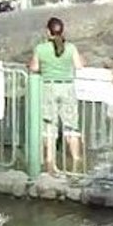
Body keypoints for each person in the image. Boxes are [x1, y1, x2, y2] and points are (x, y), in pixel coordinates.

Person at [28, 17, 84, 174]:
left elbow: (34, 68)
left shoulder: (40, 48)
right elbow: (79, 66)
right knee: (72, 125)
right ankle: (76, 162)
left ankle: (50, 162)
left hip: (48, 88)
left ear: (48, 31)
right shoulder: (71, 48)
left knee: (49, 126)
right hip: (67, 88)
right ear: (62, 31)